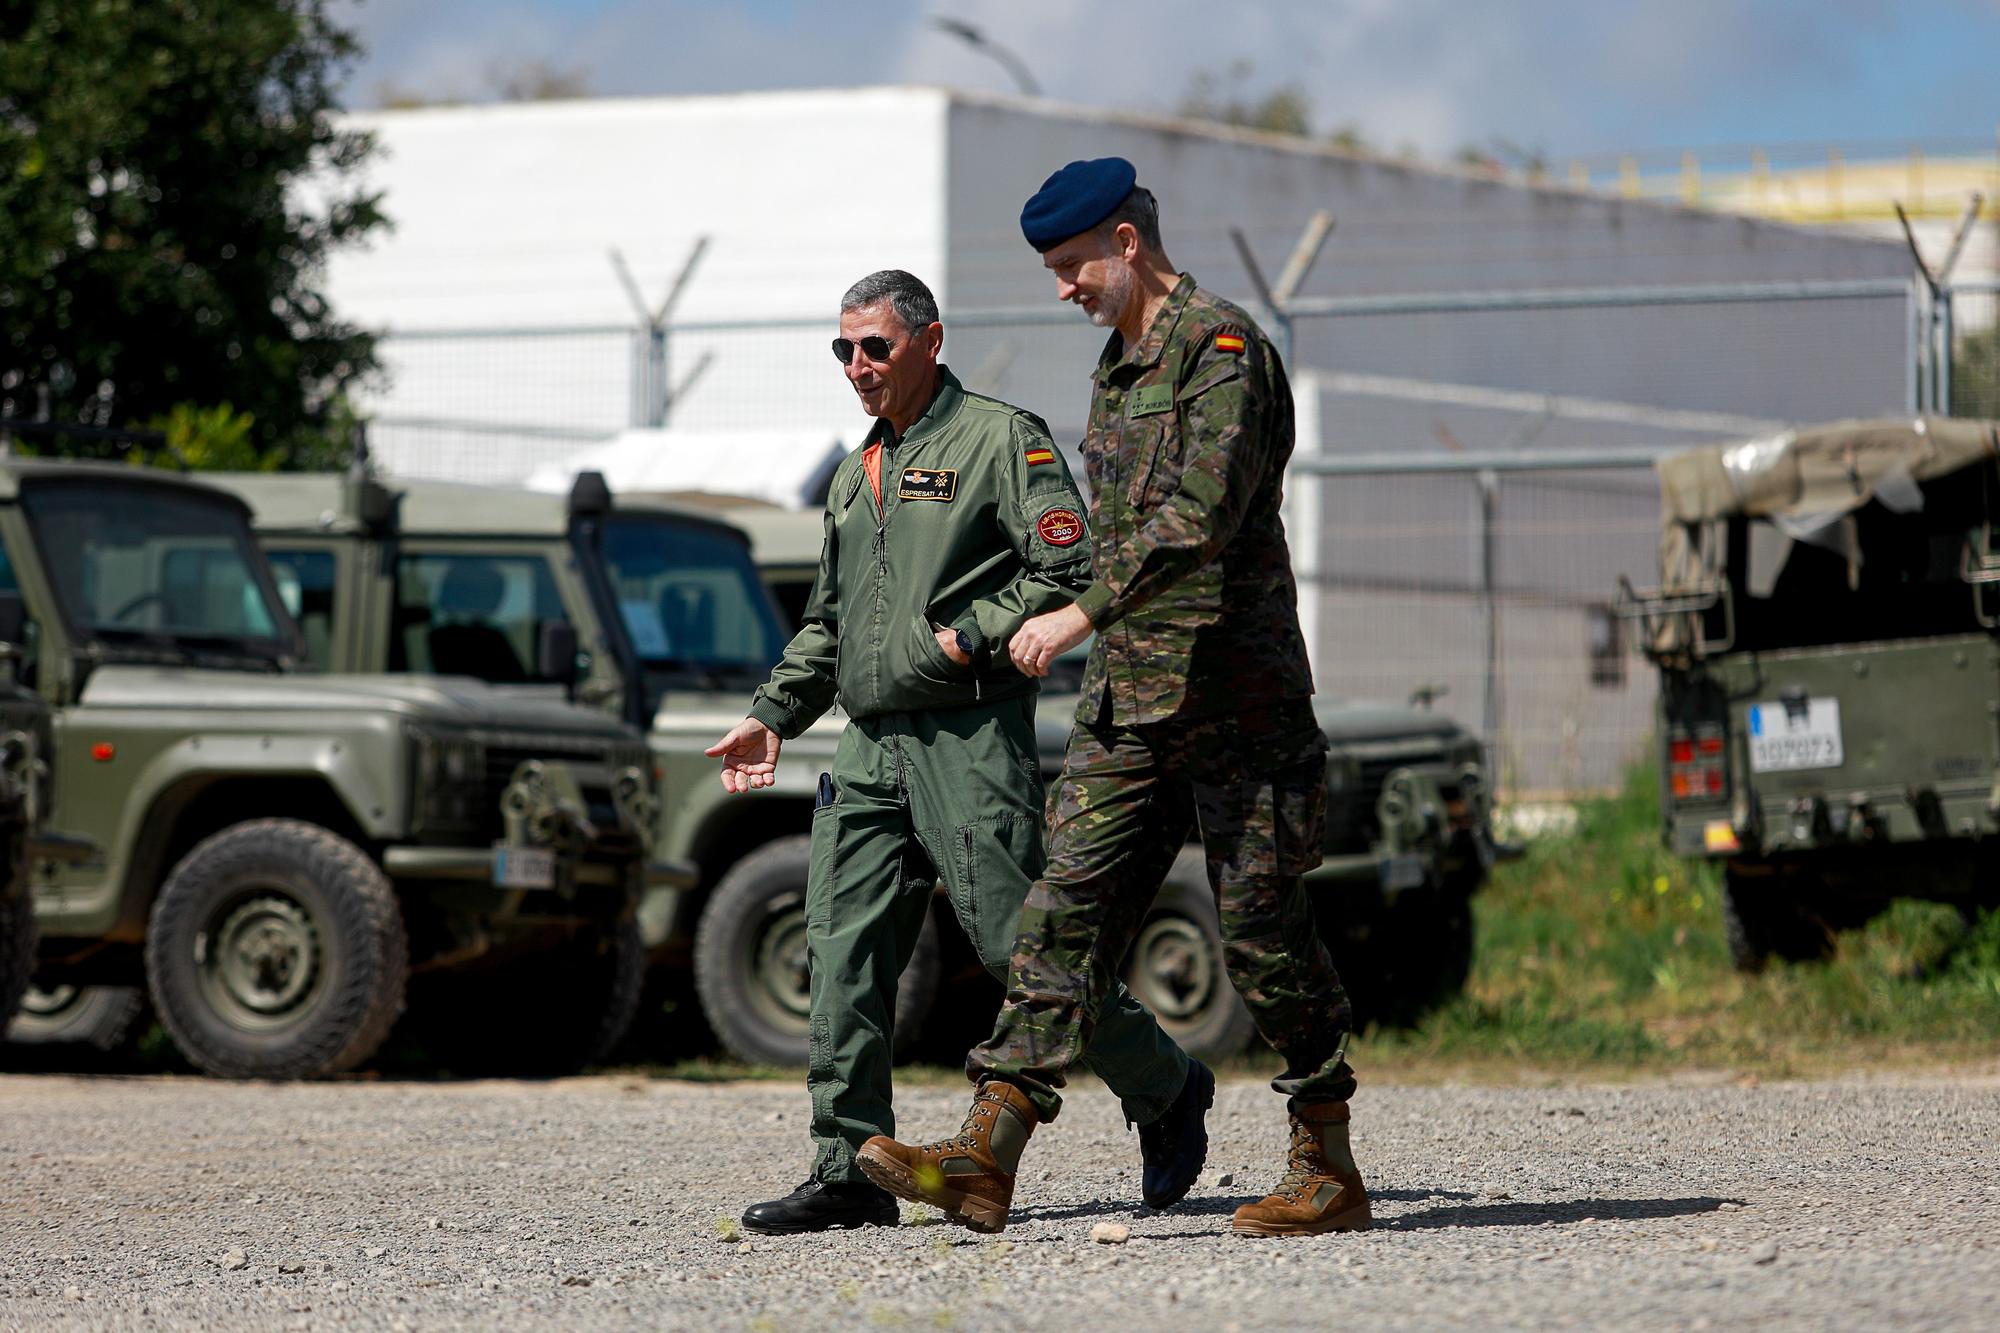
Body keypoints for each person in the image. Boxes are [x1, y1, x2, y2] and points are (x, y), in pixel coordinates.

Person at [857, 162, 1369, 1239]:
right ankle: (984, 1154)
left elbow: (1198, 516)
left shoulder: (1220, 348)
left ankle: (1324, 1156)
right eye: (1050, 270)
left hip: (1238, 699)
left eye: (1069, 265)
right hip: (1131, 706)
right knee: (1060, 921)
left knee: (1262, 931)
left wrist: (1078, 612)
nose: (1061, 288)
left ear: (1126, 242)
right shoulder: (1115, 365)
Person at [706, 268, 1214, 1235]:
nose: (856, 367)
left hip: (967, 738)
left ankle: (1166, 1086)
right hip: (868, 745)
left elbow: (1069, 565)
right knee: (841, 945)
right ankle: (848, 1167)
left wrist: (966, 634)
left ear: (929, 341)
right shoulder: (859, 471)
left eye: (875, 347)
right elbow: (829, 623)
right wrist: (772, 713)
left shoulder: (997, 439)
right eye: (842, 349)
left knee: (1019, 946)